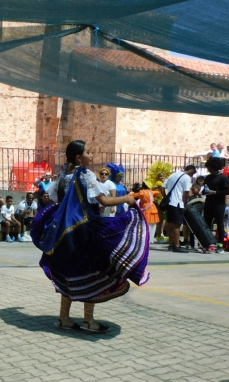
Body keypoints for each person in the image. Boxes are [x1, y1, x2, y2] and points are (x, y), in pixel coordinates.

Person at [31, 140, 146, 333]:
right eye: (88, 152)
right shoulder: (84, 175)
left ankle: (64, 319)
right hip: (82, 233)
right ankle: (89, 321)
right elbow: (105, 200)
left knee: (69, 275)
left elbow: (52, 199)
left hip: (62, 236)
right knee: (91, 273)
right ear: (79, 157)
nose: (91, 156)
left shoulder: (62, 176)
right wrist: (127, 198)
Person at [162, 165, 197, 253]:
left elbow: (162, 188)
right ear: (190, 170)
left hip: (170, 203)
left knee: (170, 224)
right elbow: (186, 193)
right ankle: (177, 245)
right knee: (177, 225)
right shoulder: (186, 178)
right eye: (192, 173)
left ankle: (171, 244)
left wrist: (166, 197)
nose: (192, 176)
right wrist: (185, 203)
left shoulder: (173, 175)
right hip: (178, 203)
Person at [203, 157, 229, 253]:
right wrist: (203, 192)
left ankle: (220, 244)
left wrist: (215, 192)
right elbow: (205, 189)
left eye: (209, 167)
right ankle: (208, 243)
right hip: (208, 203)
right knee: (207, 223)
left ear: (214, 167)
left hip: (219, 204)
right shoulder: (208, 177)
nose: (208, 169)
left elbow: (228, 190)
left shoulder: (223, 177)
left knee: (219, 224)